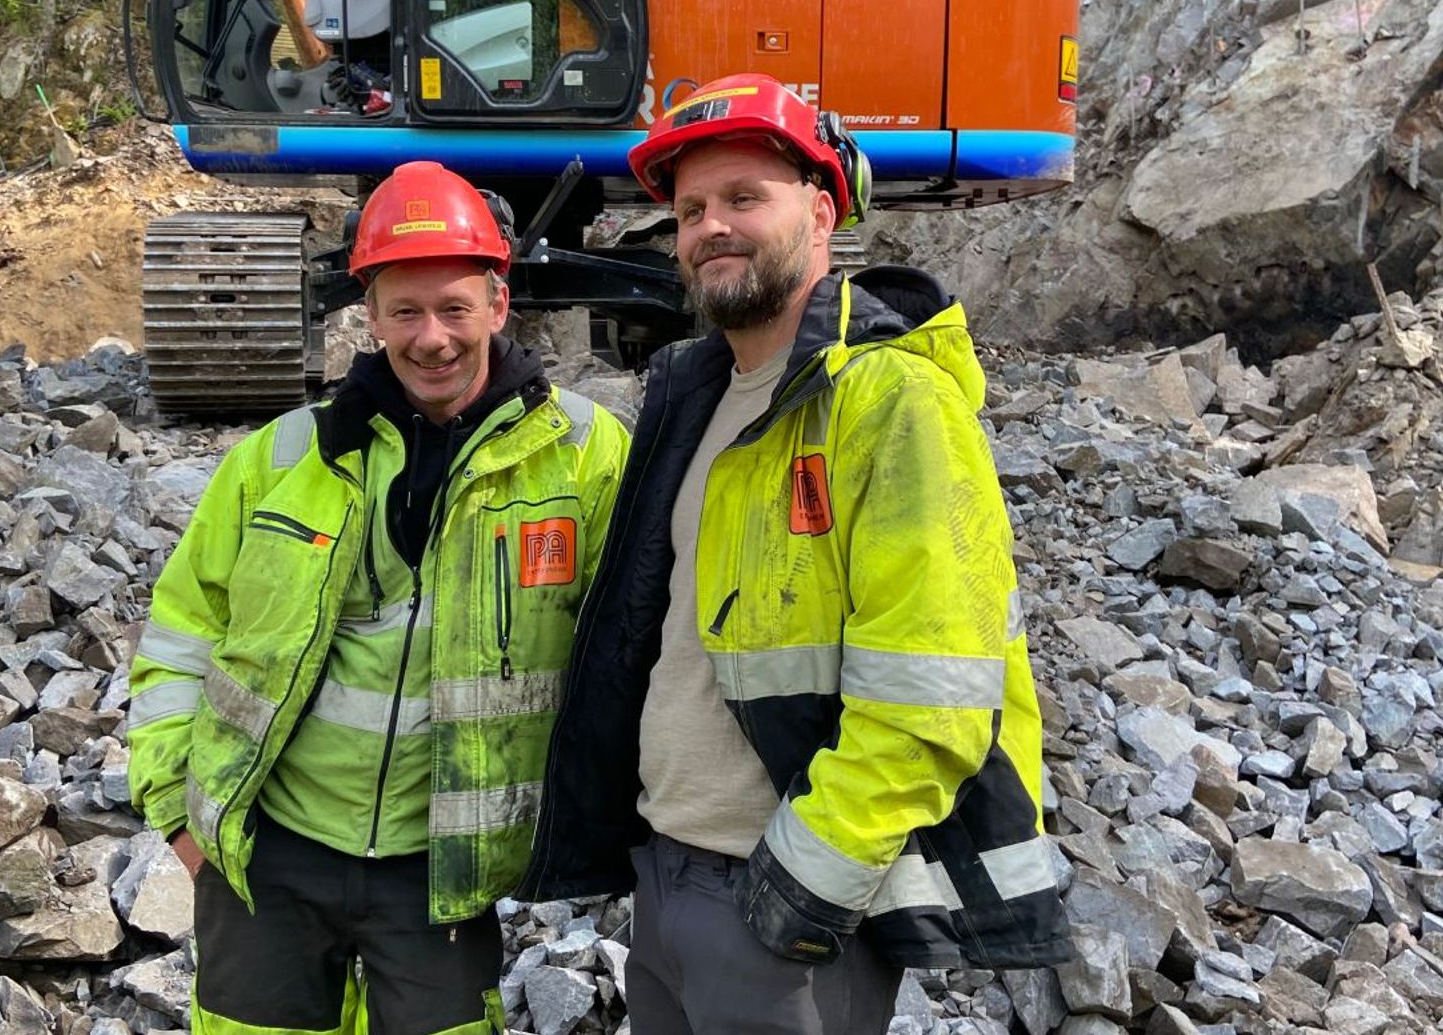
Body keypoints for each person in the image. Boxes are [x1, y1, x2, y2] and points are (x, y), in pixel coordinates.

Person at [521, 74, 1070, 1034]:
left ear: (820, 214)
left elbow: (934, 691)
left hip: (778, 897)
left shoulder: (890, 399)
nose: (710, 228)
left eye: (743, 198)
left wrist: (810, 883)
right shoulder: (690, 396)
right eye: (691, 210)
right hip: (667, 869)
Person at [127, 160, 629, 1035]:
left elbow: (633, 646)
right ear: (370, 316)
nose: (432, 337)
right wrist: (176, 809)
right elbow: (182, 632)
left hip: (437, 870)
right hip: (268, 855)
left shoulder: (586, 458)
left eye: (454, 308)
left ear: (498, 305)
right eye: (405, 310)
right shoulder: (282, 457)